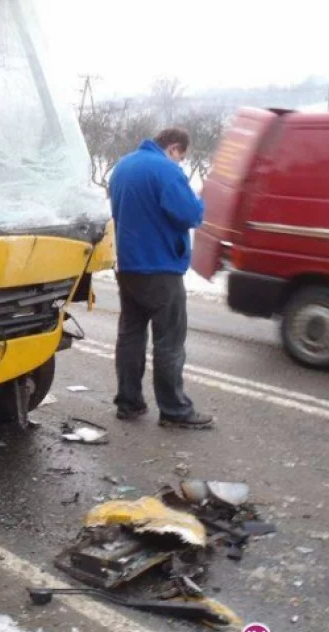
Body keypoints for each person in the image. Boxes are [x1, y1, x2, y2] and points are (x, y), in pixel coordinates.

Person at [108, 128, 214, 429]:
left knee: (130, 335)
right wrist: (200, 201)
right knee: (169, 341)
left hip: (128, 266)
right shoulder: (166, 171)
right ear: (175, 148)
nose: (180, 163)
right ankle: (174, 411)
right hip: (161, 268)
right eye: (181, 157)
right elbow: (190, 214)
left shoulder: (122, 167)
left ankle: (128, 403)